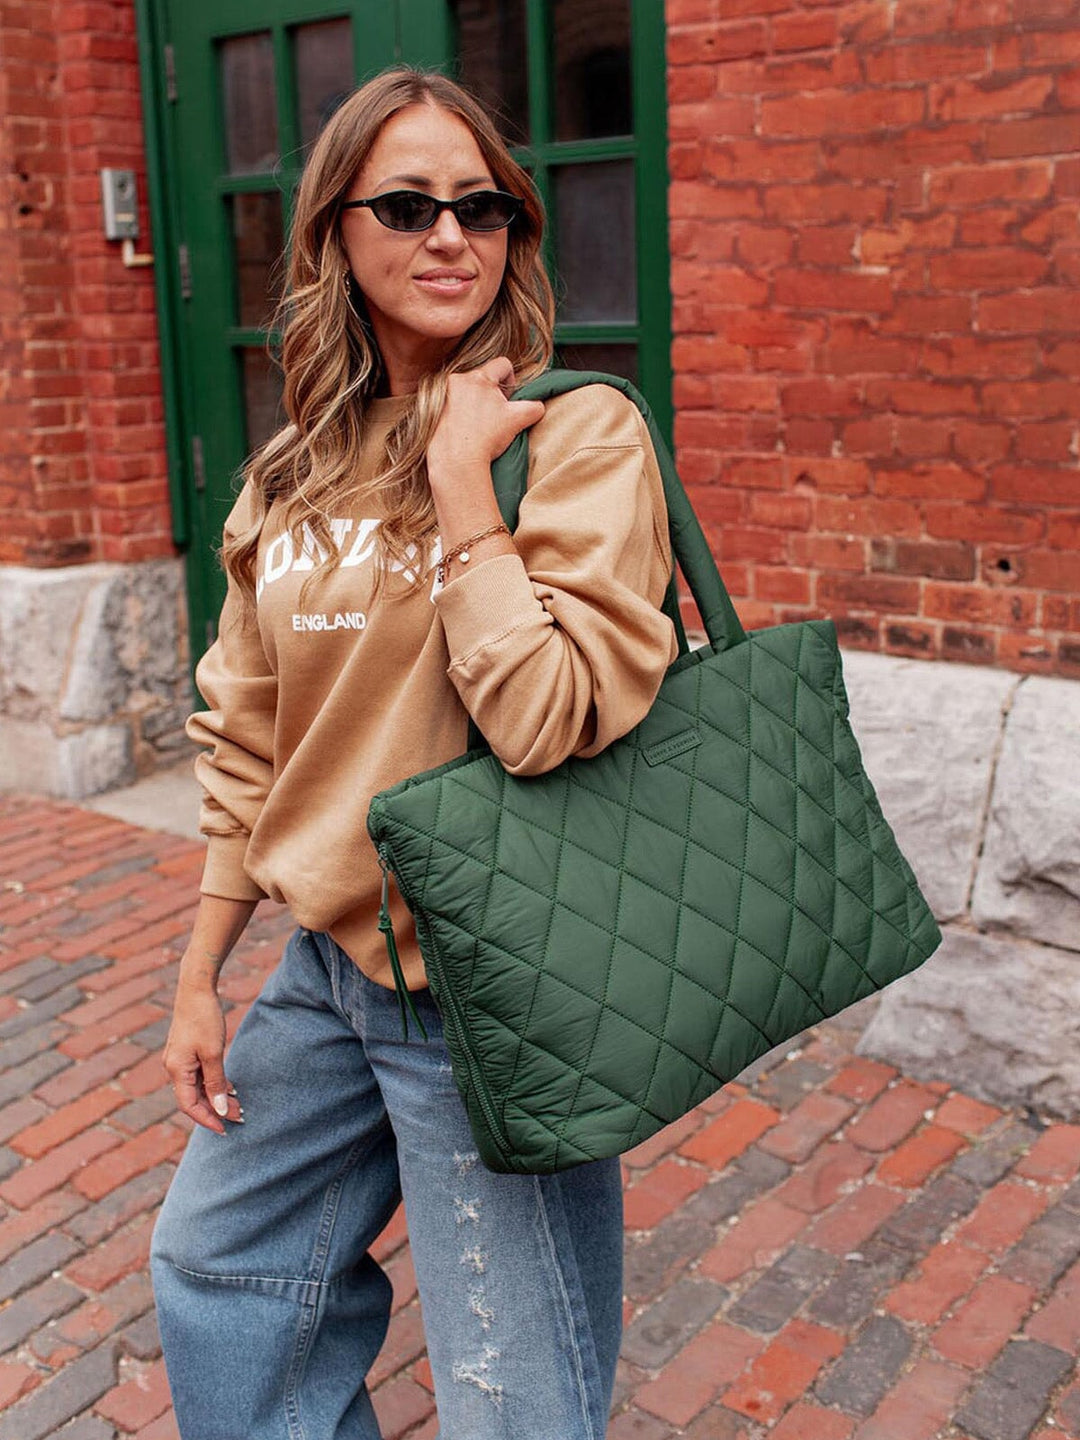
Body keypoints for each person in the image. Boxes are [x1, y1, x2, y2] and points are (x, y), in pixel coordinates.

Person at [151, 66, 677, 1440]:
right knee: (222, 1271)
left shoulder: (575, 436)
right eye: (407, 203)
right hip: (325, 972)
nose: (452, 235)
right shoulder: (287, 477)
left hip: (487, 995)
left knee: (513, 1400)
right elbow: (249, 734)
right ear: (334, 232)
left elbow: (548, 715)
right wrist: (202, 971)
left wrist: (461, 492)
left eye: (484, 207)